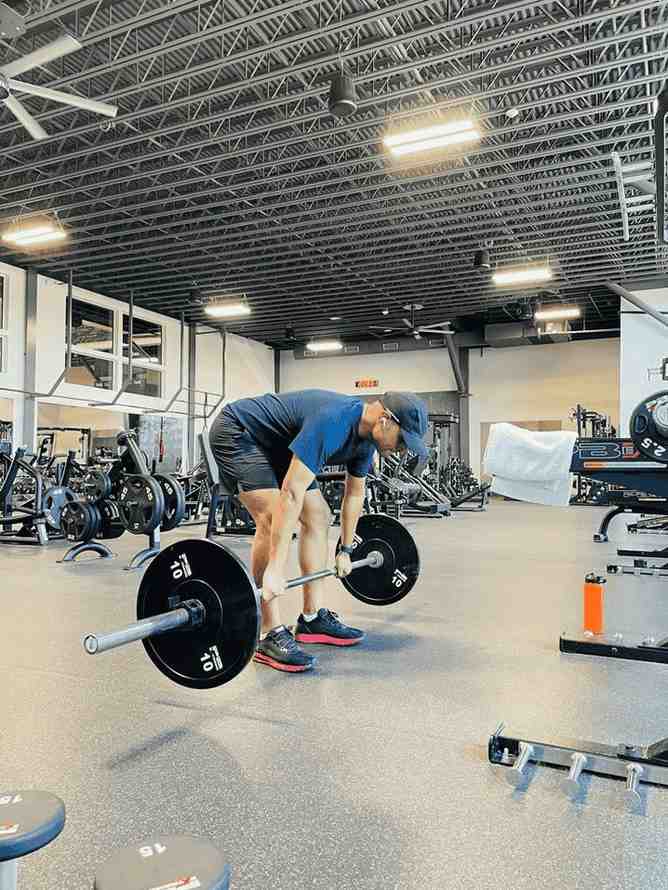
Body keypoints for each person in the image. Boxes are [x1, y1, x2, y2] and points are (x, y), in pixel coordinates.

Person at [209, 389, 428, 673]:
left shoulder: (365, 443)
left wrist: (346, 550)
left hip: (279, 444)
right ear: (385, 420)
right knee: (272, 515)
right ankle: (267, 632)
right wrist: (275, 568)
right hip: (240, 432)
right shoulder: (334, 421)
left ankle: (311, 619)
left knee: (319, 515)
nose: (401, 449)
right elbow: (291, 494)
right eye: (402, 440)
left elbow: (354, 494)